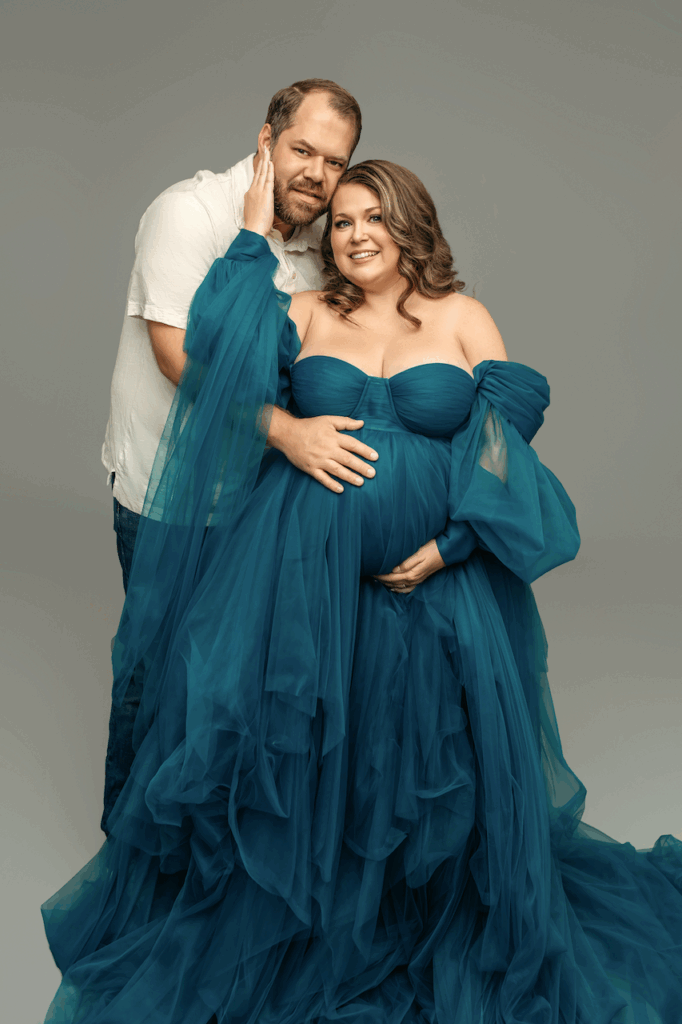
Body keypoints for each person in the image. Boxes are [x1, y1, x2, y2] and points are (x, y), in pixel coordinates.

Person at [43, 155, 682, 1024]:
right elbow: (218, 364)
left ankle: (419, 920)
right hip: (303, 583)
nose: (355, 235)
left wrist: (453, 544)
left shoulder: (462, 318)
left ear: (409, 223)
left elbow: (503, 448)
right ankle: (310, 924)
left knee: (431, 763)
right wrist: (256, 233)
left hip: (439, 583)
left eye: (373, 217)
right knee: (308, 756)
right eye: (341, 222)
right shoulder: (300, 310)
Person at [99, 79, 388, 835]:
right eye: (302, 151)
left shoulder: (317, 246)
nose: (317, 176)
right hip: (166, 494)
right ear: (266, 140)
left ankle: (206, 845)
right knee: (153, 666)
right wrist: (288, 433)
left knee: (231, 675)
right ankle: (128, 842)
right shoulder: (185, 215)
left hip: (255, 499)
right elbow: (178, 358)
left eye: (334, 161)